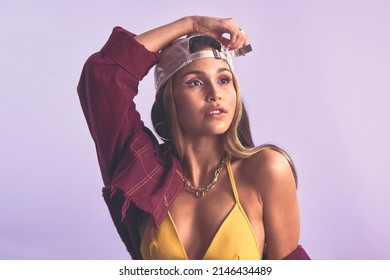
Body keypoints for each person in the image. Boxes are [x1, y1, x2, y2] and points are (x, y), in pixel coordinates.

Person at [77, 16, 310, 260]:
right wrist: (191, 25)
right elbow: (101, 77)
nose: (215, 94)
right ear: (169, 100)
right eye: (195, 82)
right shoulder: (144, 174)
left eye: (223, 80)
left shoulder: (266, 170)